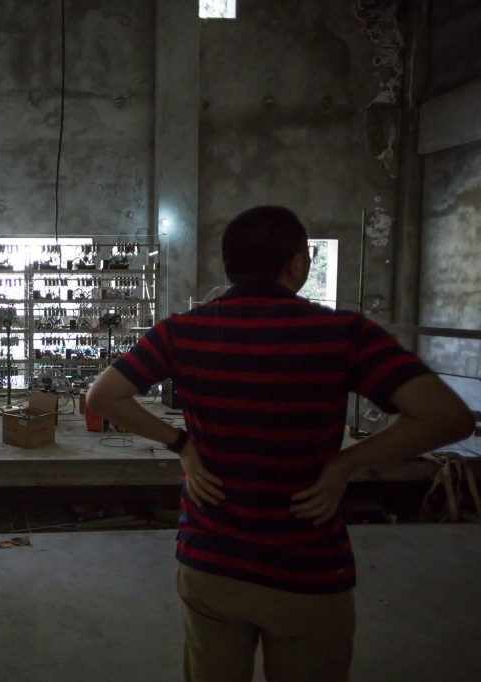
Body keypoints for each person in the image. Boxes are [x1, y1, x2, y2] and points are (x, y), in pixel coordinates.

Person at [84, 205, 474, 682]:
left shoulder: (181, 331)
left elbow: (103, 396)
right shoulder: (345, 333)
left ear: (229, 267)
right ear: (297, 263)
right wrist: (344, 465)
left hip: (212, 560)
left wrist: (181, 443)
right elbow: (448, 418)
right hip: (307, 567)